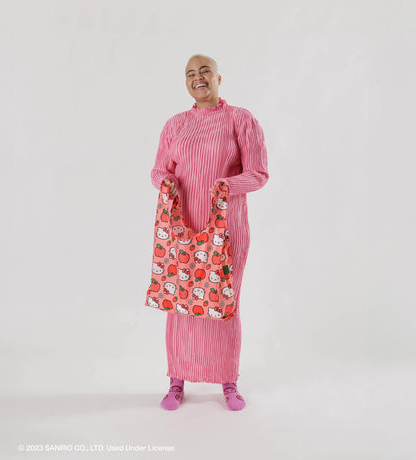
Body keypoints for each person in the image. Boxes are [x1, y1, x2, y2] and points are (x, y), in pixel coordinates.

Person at [150, 54, 269, 411]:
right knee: (181, 302)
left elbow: (259, 173)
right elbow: (157, 171)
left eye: (205, 71)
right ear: (186, 82)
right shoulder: (176, 124)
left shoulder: (240, 120)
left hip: (225, 229)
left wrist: (227, 185)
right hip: (182, 228)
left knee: (223, 304)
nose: (198, 77)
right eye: (190, 73)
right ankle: (176, 381)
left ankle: (228, 382)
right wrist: (166, 181)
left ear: (219, 78)